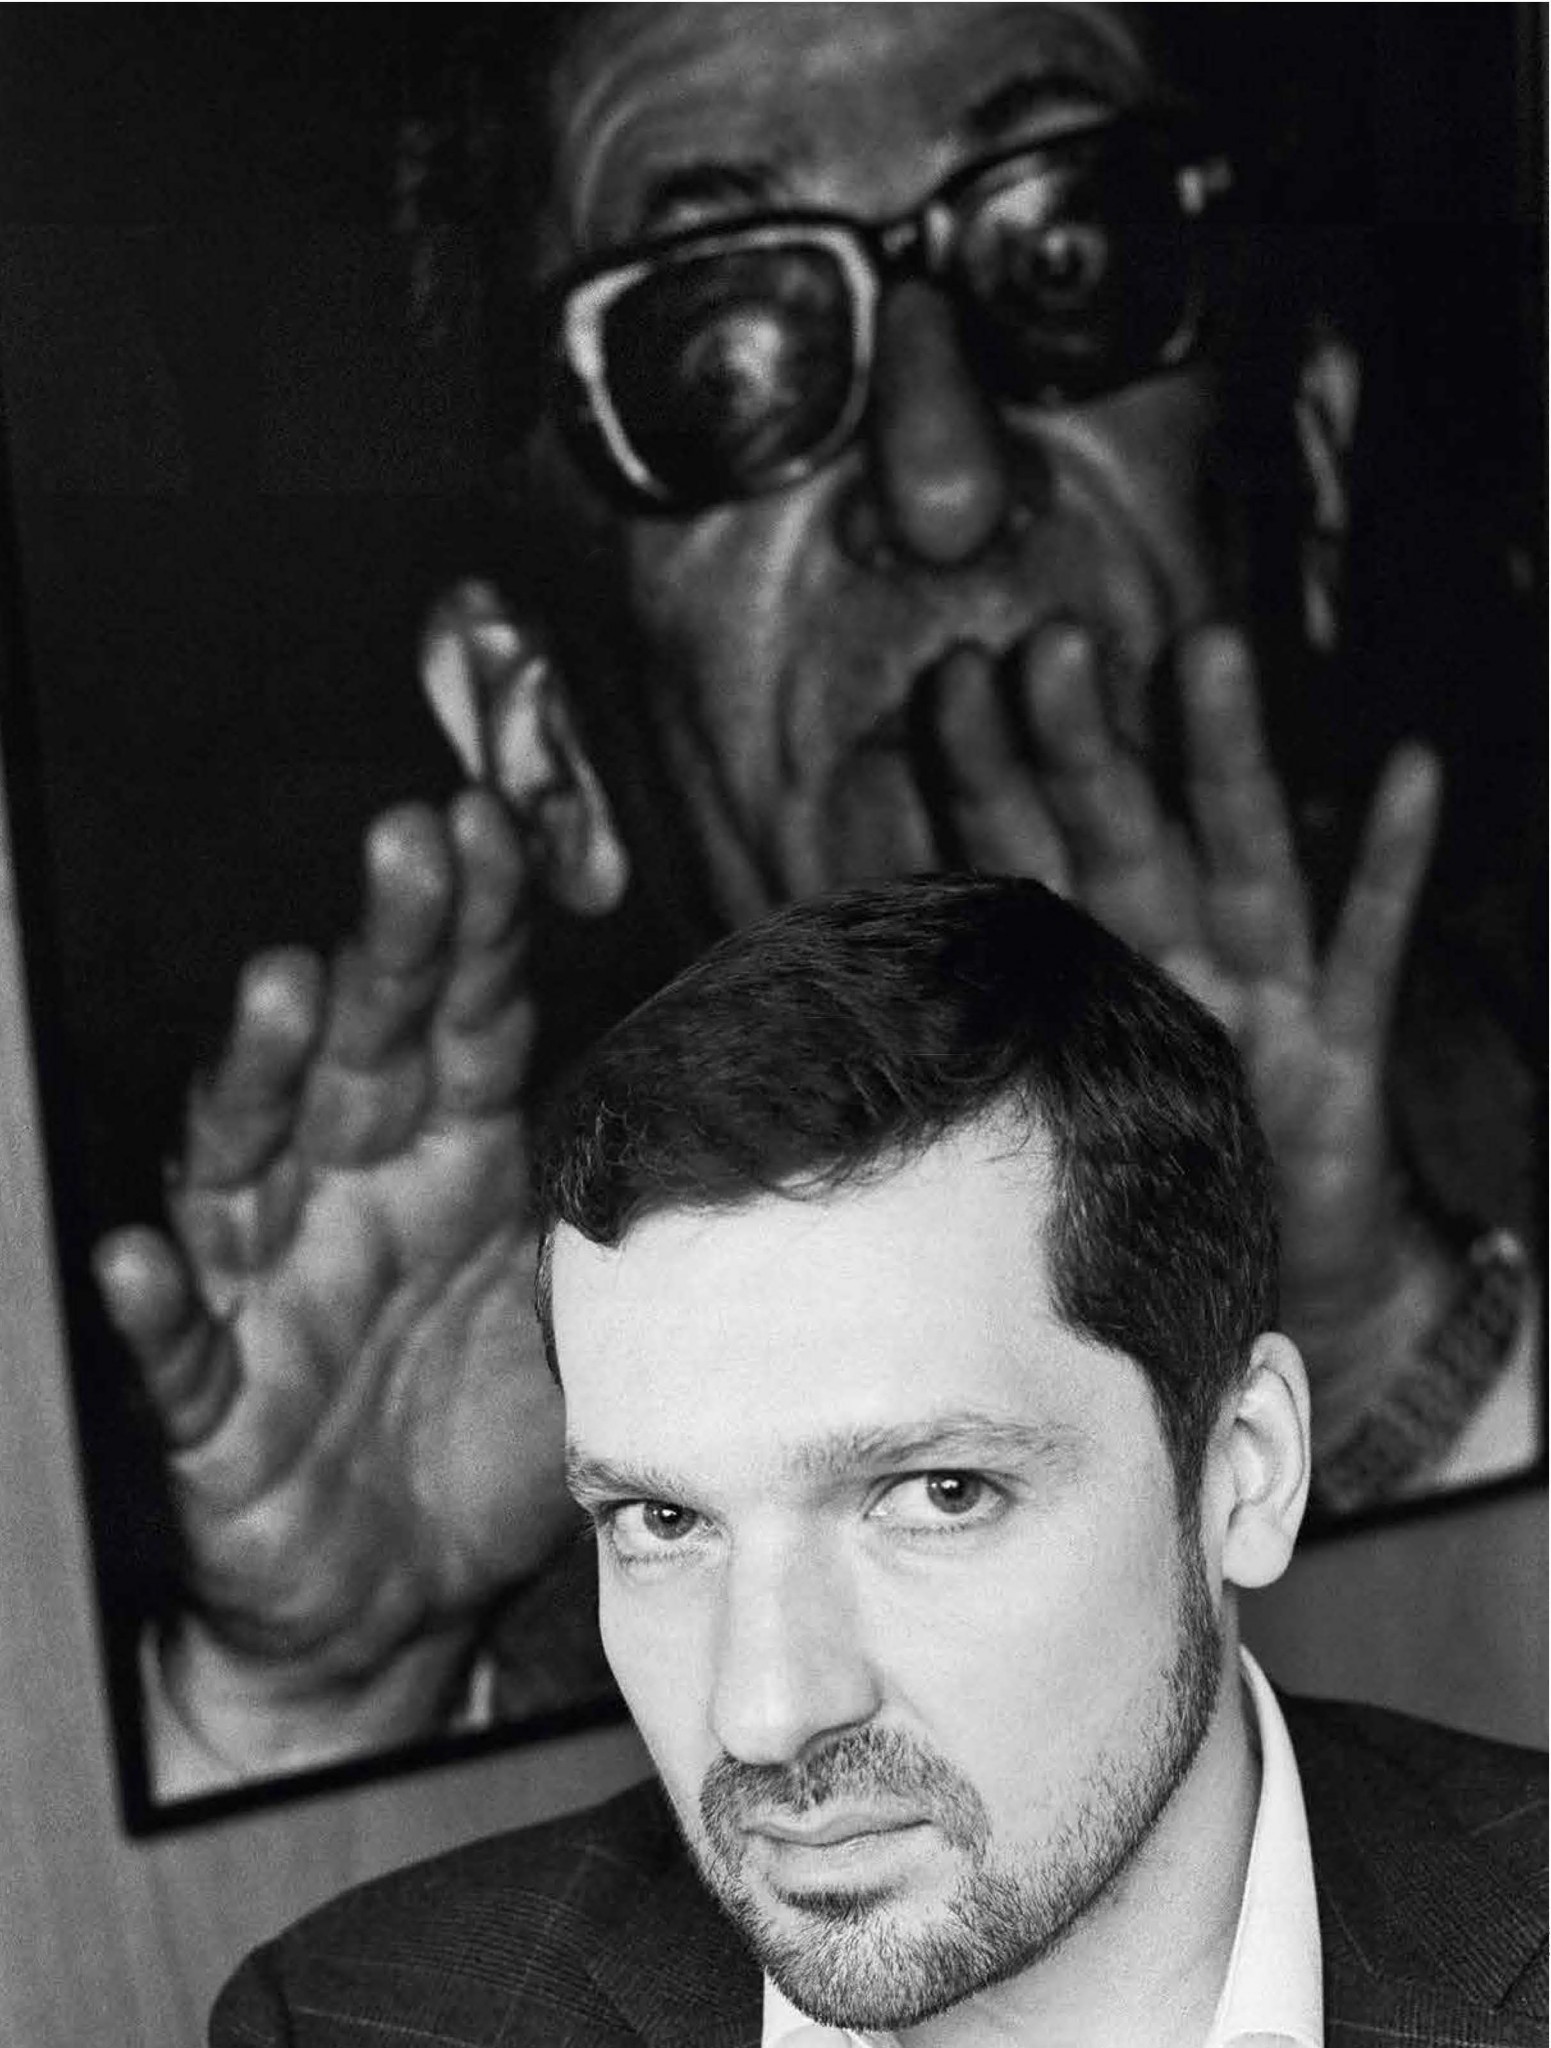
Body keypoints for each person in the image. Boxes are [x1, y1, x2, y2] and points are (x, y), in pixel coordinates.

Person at [95, 5, 1539, 1793]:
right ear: (546, 748)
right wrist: (324, 1715)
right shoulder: (528, 1529)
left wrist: (1393, 1377)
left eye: (1067, 255)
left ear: (1305, 482)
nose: (944, 480)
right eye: (724, 357)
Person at [209, 875, 1547, 2047]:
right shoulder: (350, 2023)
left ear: (1244, 1469)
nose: (766, 1714)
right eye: (662, 1520)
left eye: (936, 1496)